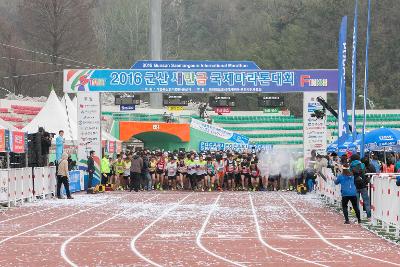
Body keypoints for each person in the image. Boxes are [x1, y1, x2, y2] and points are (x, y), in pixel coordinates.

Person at [350, 154, 371, 220]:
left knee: (356, 202)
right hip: (363, 184)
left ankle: (358, 216)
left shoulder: (351, 165)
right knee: (366, 201)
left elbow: (350, 174)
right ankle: (369, 215)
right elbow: (365, 173)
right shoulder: (362, 165)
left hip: (355, 185)